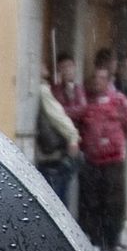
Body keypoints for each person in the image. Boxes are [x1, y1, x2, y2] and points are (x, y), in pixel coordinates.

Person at [77, 65, 127, 251]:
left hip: (113, 160)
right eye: (95, 79)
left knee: (113, 202)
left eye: (101, 78)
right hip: (93, 160)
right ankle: (96, 240)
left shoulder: (119, 101)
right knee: (93, 202)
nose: (97, 82)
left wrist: (114, 144)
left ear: (108, 81)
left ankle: (112, 239)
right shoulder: (86, 101)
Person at [35, 68, 81, 208]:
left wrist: (72, 136)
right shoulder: (43, 89)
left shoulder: (42, 89)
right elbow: (58, 116)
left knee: (54, 201)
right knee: (56, 201)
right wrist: (72, 136)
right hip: (50, 154)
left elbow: (58, 116)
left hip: (51, 154)